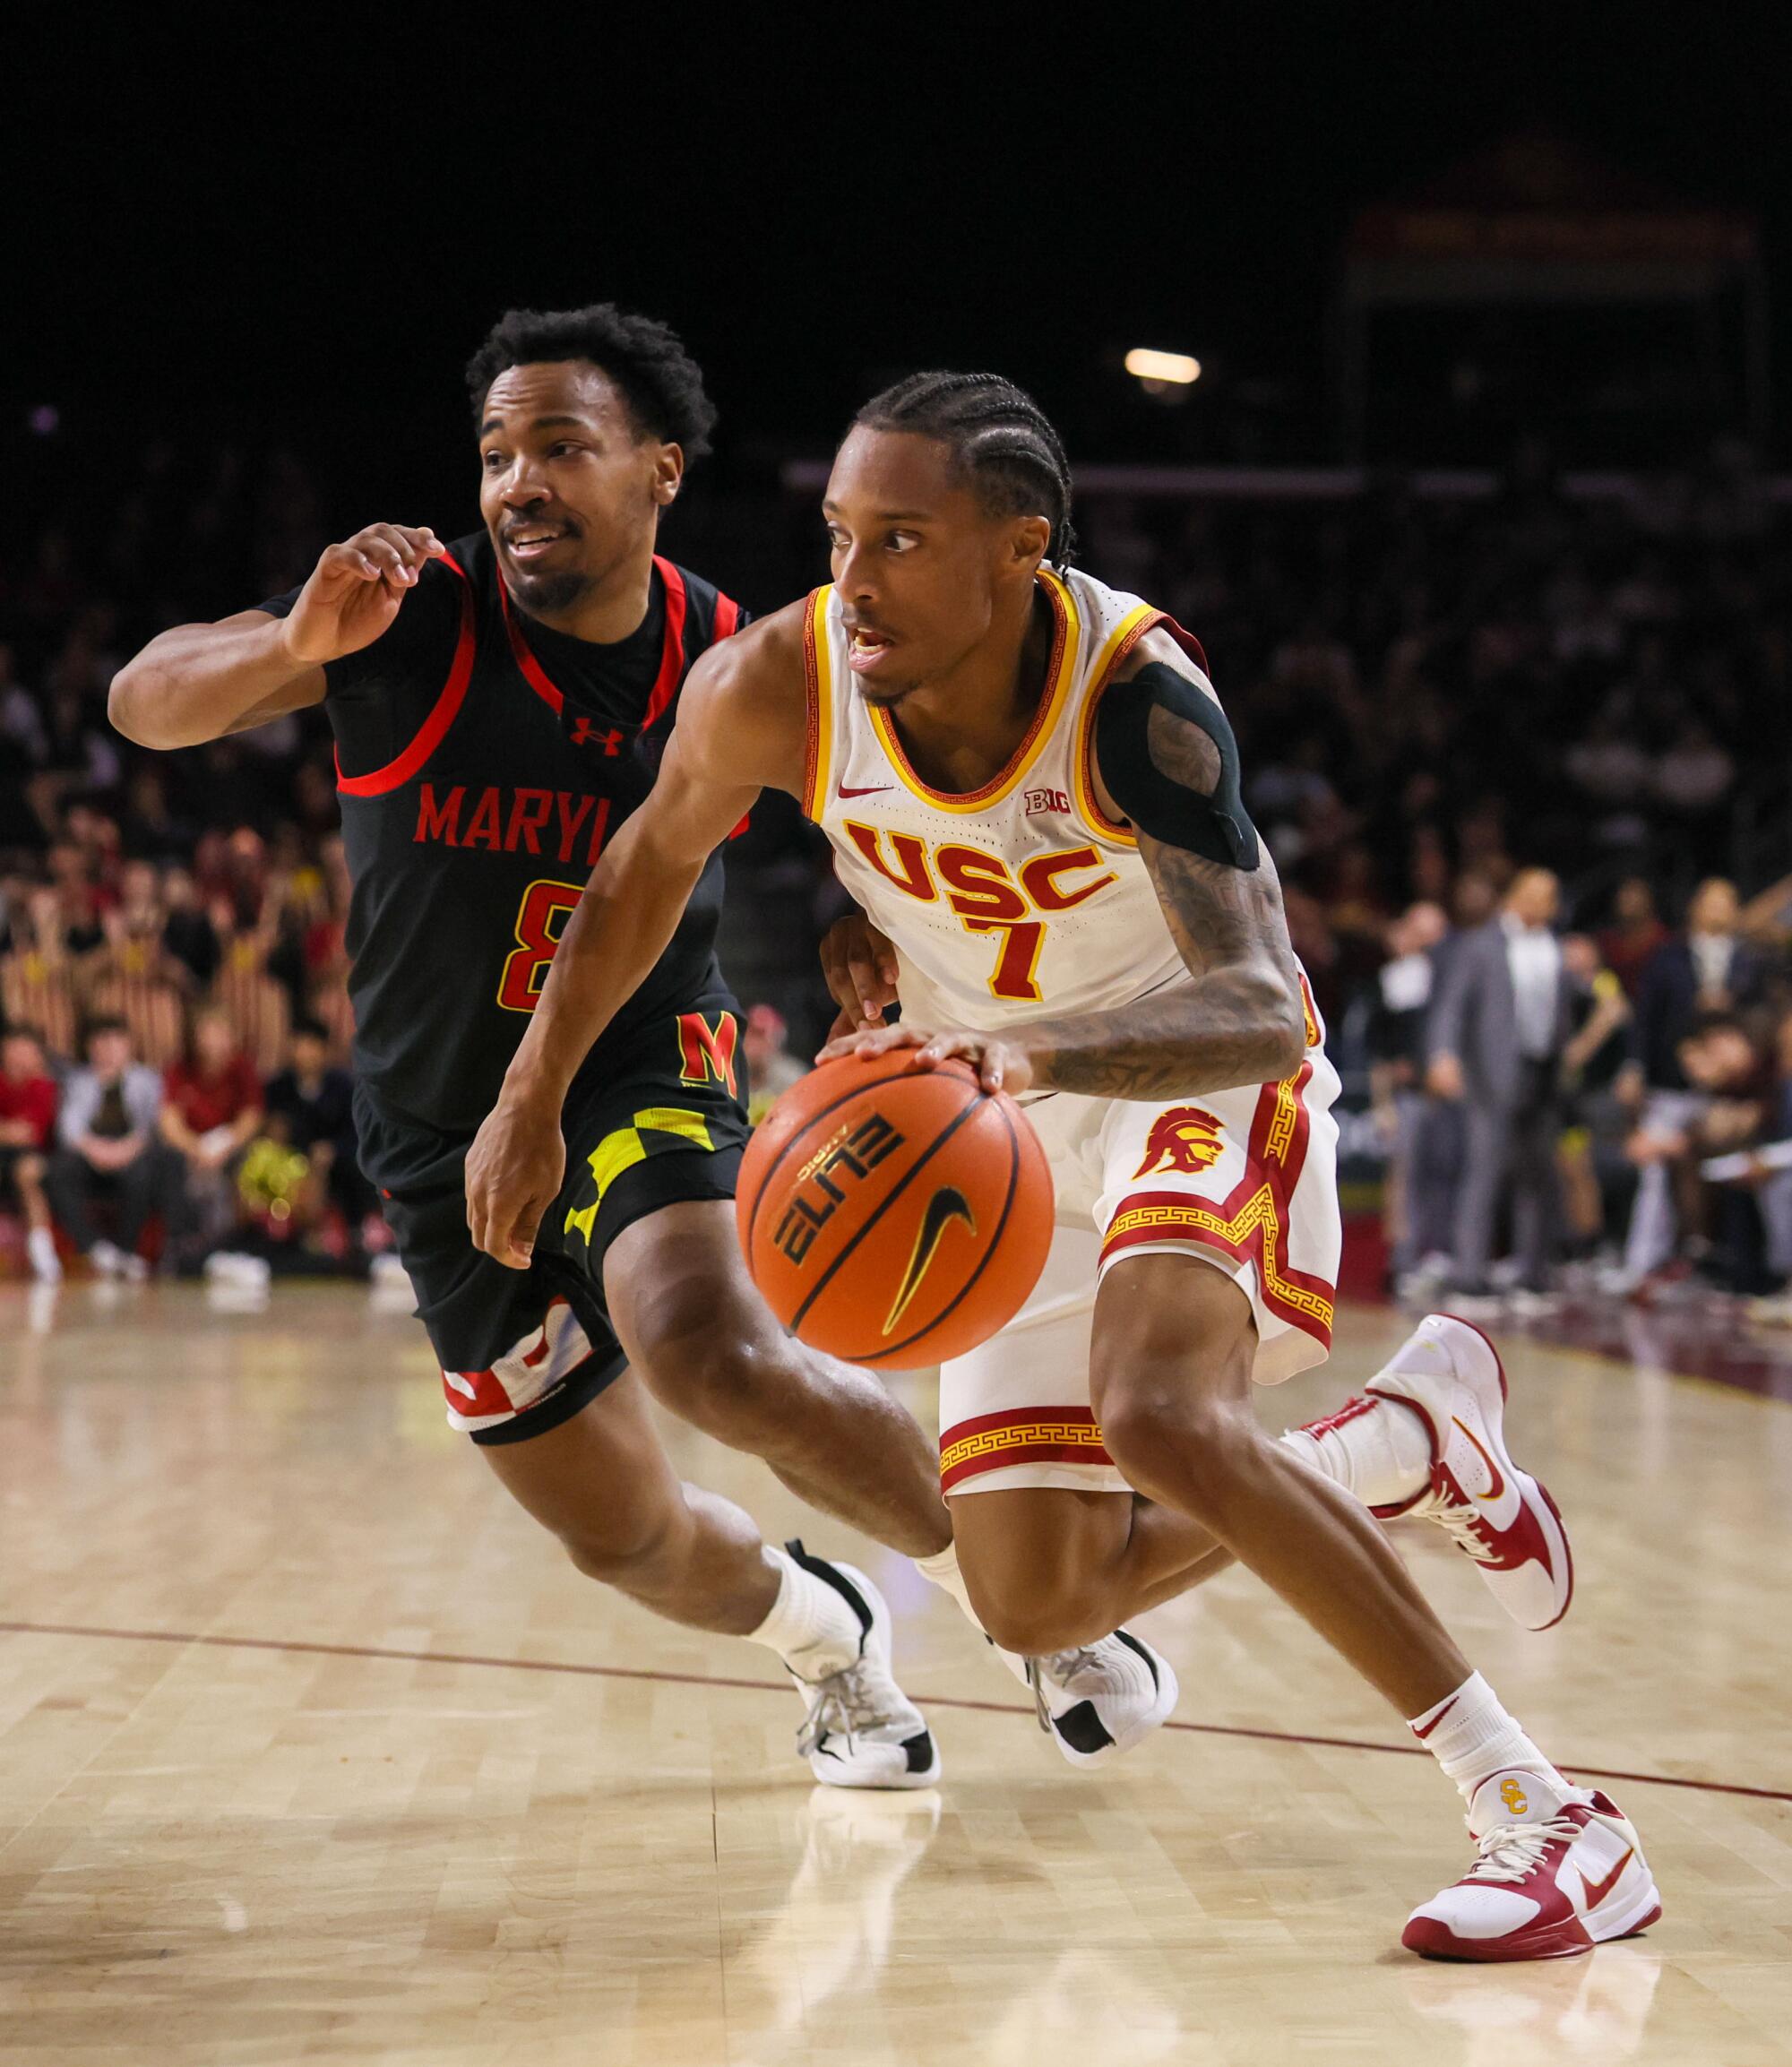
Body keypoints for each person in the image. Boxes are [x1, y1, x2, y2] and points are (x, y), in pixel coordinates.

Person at [466, 370, 1653, 1959]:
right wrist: (533, 1089)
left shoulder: (1133, 697)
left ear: (1020, 550)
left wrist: (1031, 1050)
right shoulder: (782, 681)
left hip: (1190, 1080)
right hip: (995, 1129)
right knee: (1034, 1602)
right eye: (837, 533)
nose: (854, 576)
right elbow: (638, 871)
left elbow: (1247, 997)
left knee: (1165, 1415)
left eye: (900, 538)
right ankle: (1398, 1446)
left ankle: (1544, 1811)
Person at [109, 304, 952, 1790]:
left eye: (562, 445)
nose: (517, 481)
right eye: (498, 451)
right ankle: (824, 1632)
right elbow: (146, 696)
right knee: (618, 1533)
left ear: (659, 474)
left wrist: (869, 916)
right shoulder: (411, 614)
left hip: (639, 1062)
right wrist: (292, 645)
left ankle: (1041, 1589)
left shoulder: (730, 651)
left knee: (708, 1350)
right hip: (435, 1134)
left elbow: (882, 805)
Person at [1427, 869, 1586, 1303]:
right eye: (1534, 894)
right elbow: (1452, 1006)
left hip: (1544, 1072)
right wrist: (1443, 1054)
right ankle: (1469, 1274)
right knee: (1484, 1172)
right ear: (1514, 895)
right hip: (1491, 1075)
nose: (1543, 904)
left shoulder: (1556, 947)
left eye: (1550, 896)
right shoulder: (1482, 944)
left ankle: (1532, 1273)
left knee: (1539, 1174)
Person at [43, 1018, 176, 1279]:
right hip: (92, 1151)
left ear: (129, 1046)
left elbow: (153, 1127)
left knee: (145, 1171)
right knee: (56, 1171)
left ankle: (128, 1251)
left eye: (115, 1042)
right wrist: (95, 1149)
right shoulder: (78, 1080)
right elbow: (69, 1128)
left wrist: (126, 1149)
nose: (108, 1050)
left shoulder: (148, 1079)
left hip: (133, 1150)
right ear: (90, 1047)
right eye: (101, 1043)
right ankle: (94, 1248)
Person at [159, 1005, 265, 1266]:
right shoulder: (180, 1068)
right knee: (166, 1161)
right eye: (205, 1033)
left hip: (228, 1147)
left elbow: (250, 1118)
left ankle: (233, 1244)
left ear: (231, 1038)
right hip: (191, 1147)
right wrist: (195, 1148)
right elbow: (169, 1120)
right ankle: (180, 1245)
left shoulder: (243, 1069)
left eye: (218, 1033)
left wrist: (223, 1146)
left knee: (250, 1161)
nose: (211, 1041)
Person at [0, 1026, 61, 1282]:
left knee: (27, 1174)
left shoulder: (44, 1086)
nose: (19, 1056)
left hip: (36, 1156)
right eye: (13, 1048)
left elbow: (28, 1133)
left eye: (26, 1049)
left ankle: (43, 1253)